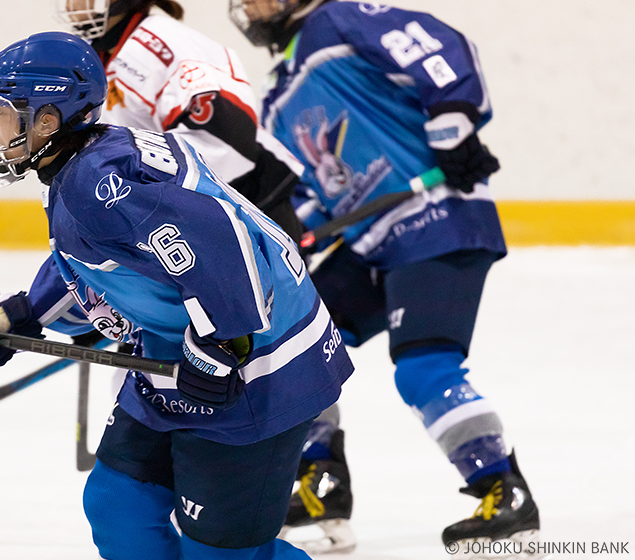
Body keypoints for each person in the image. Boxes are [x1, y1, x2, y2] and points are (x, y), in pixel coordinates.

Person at [0, 31, 354, 560]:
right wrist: (18, 314)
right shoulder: (88, 162)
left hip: (263, 366)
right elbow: (103, 266)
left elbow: (221, 239)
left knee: (223, 557)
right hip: (176, 356)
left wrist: (224, 345)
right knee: (119, 507)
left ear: (47, 120)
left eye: (5, 111)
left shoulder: (94, 182)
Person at [230, 0, 541, 555]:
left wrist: (453, 126)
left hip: (437, 218)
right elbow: (314, 191)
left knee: (424, 366)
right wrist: (302, 228)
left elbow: (436, 48)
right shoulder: (277, 99)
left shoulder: (341, 20)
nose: (249, 4)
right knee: (293, 344)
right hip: (372, 242)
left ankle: (502, 488)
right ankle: (320, 483)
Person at [55, 0, 355, 552]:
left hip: (229, 233)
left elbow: (229, 152)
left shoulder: (158, 47)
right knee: (184, 393)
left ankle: (313, 471)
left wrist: (214, 258)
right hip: (180, 240)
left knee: (256, 367)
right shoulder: (108, 55)